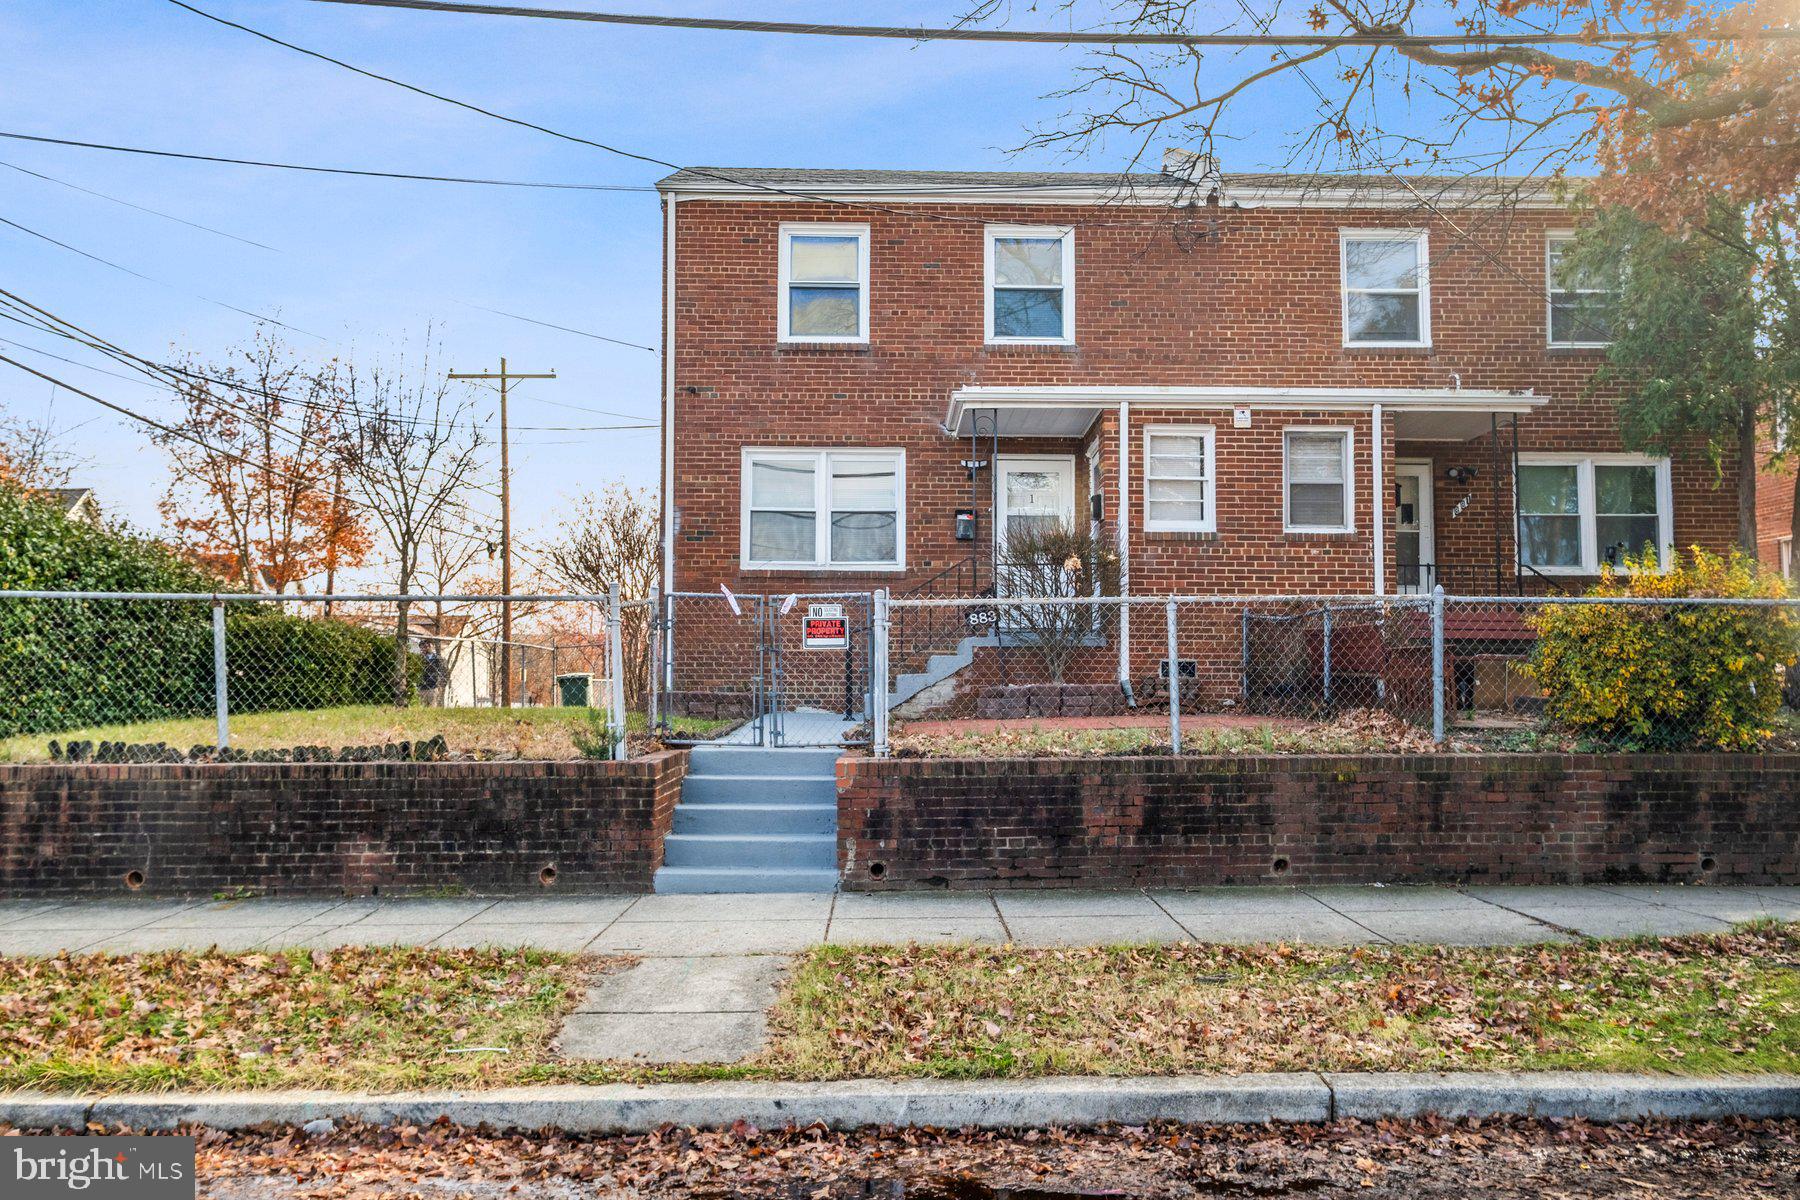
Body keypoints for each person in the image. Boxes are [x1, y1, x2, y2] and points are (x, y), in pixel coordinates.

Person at [419, 639, 447, 707]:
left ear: (431, 646)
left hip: (434, 687)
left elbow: (444, 672)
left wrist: (441, 685)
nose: (423, 649)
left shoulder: (439, 659)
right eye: (421, 647)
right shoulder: (419, 659)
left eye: (425, 647)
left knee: (432, 707)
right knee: (421, 708)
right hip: (422, 687)